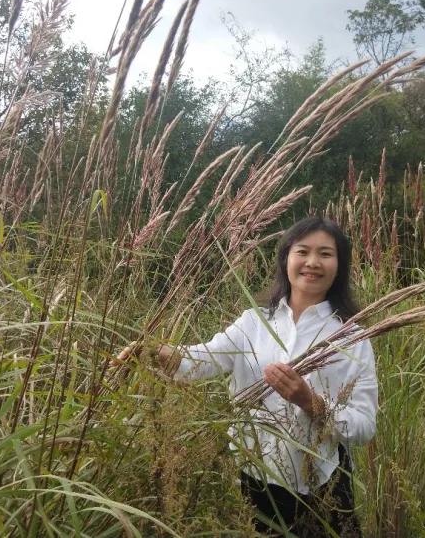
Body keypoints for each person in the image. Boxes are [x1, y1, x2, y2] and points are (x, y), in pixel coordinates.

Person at [114, 217, 378, 537]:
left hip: (325, 484)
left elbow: (364, 427)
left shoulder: (352, 336)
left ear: (339, 265)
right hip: (257, 480)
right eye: (302, 251)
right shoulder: (254, 323)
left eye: (325, 254)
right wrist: (154, 351)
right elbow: (201, 360)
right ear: (285, 259)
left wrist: (310, 402)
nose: (312, 262)